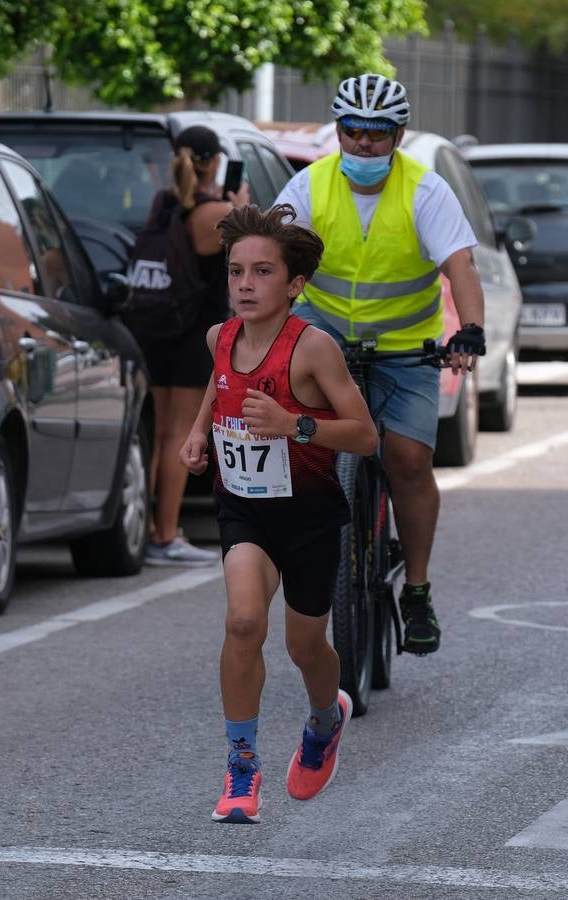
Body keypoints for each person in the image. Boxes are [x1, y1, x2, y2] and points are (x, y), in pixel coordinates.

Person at [272, 73, 485, 656]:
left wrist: (469, 329)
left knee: (409, 459)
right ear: (338, 130)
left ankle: (416, 590)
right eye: (354, 131)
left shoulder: (426, 190)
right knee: (295, 445)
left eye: (379, 133)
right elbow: (270, 257)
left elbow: (460, 267)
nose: (365, 144)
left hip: (404, 347)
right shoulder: (308, 185)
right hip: (323, 339)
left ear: (399, 134)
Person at [179, 203, 379, 824]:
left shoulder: (313, 350)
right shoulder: (220, 337)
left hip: (310, 515)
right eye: (236, 271)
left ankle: (326, 718)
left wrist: (296, 424)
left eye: (262, 272)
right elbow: (220, 384)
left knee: (305, 647)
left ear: (293, 285)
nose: (244, 284)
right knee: (243, 623)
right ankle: (242, 769)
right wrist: (198, 434)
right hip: (244, 508)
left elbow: (366, 436)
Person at [140, 125, 250, 566]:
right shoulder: (215, 214)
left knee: (154, 434)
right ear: (215, 162)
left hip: (153, 328)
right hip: (191, 335)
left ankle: (145, 528)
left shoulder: (163, 202)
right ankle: (167, 534)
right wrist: (238, 207)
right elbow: (248, 247)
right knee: (179, 436)